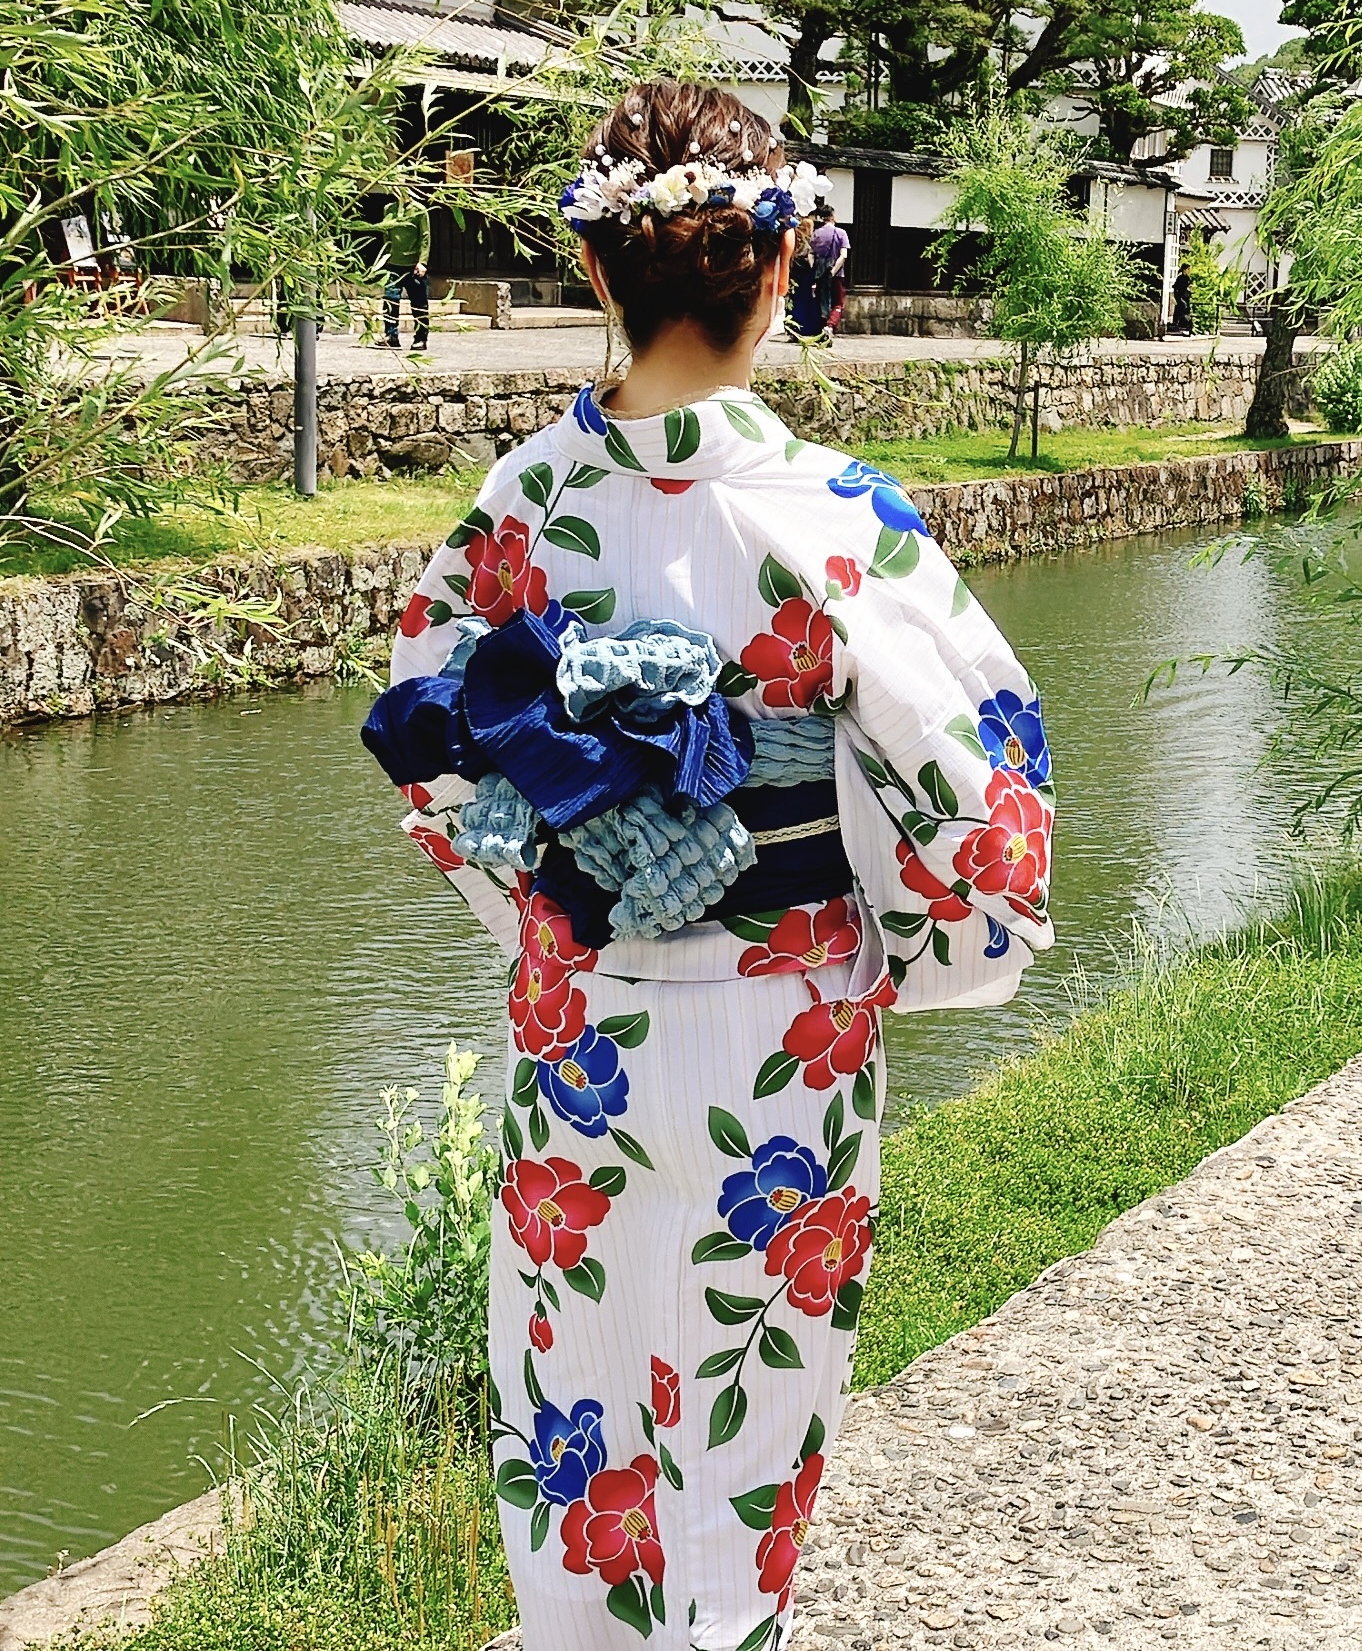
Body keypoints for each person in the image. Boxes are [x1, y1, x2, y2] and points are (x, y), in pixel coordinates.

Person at [361, 81, 1054, 1650]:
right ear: (784, 262)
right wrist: (920, 950)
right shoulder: (837, 517)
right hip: (784, 1016)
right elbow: (980, 801)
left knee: (575, 1389)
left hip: (576, 1015)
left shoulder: (518, 504)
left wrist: (554, 899)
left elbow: (430, 754)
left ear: (595, 271)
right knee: (748, 1390)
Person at [380, 193, 431, 352]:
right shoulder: (389, 209)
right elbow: (386, 233)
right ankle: (391, 335)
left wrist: (422, 261)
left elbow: (425, 237)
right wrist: (386, 256)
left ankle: (421, 338)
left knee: (419, 304)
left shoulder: (419, 210)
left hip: (413, 265)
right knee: (390, 300)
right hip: (394, 263)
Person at [809, 199, 850, 333]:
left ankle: (822, 326)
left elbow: (811, 254)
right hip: (837, 274)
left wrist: (814, 270)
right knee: (838, 302)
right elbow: (843, 255)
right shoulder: (841, 233)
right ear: (832, 216)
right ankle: (830, 325)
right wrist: (833, 271)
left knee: (822, 301)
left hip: (819, 272)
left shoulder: (816, 233)